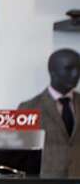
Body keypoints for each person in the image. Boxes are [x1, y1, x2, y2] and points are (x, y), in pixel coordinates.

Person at [18, 48, 80, 177]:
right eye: (69, 69)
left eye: (79, 69)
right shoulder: (29, 108)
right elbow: (21, 154)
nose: (76, 74)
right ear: (53, 72)